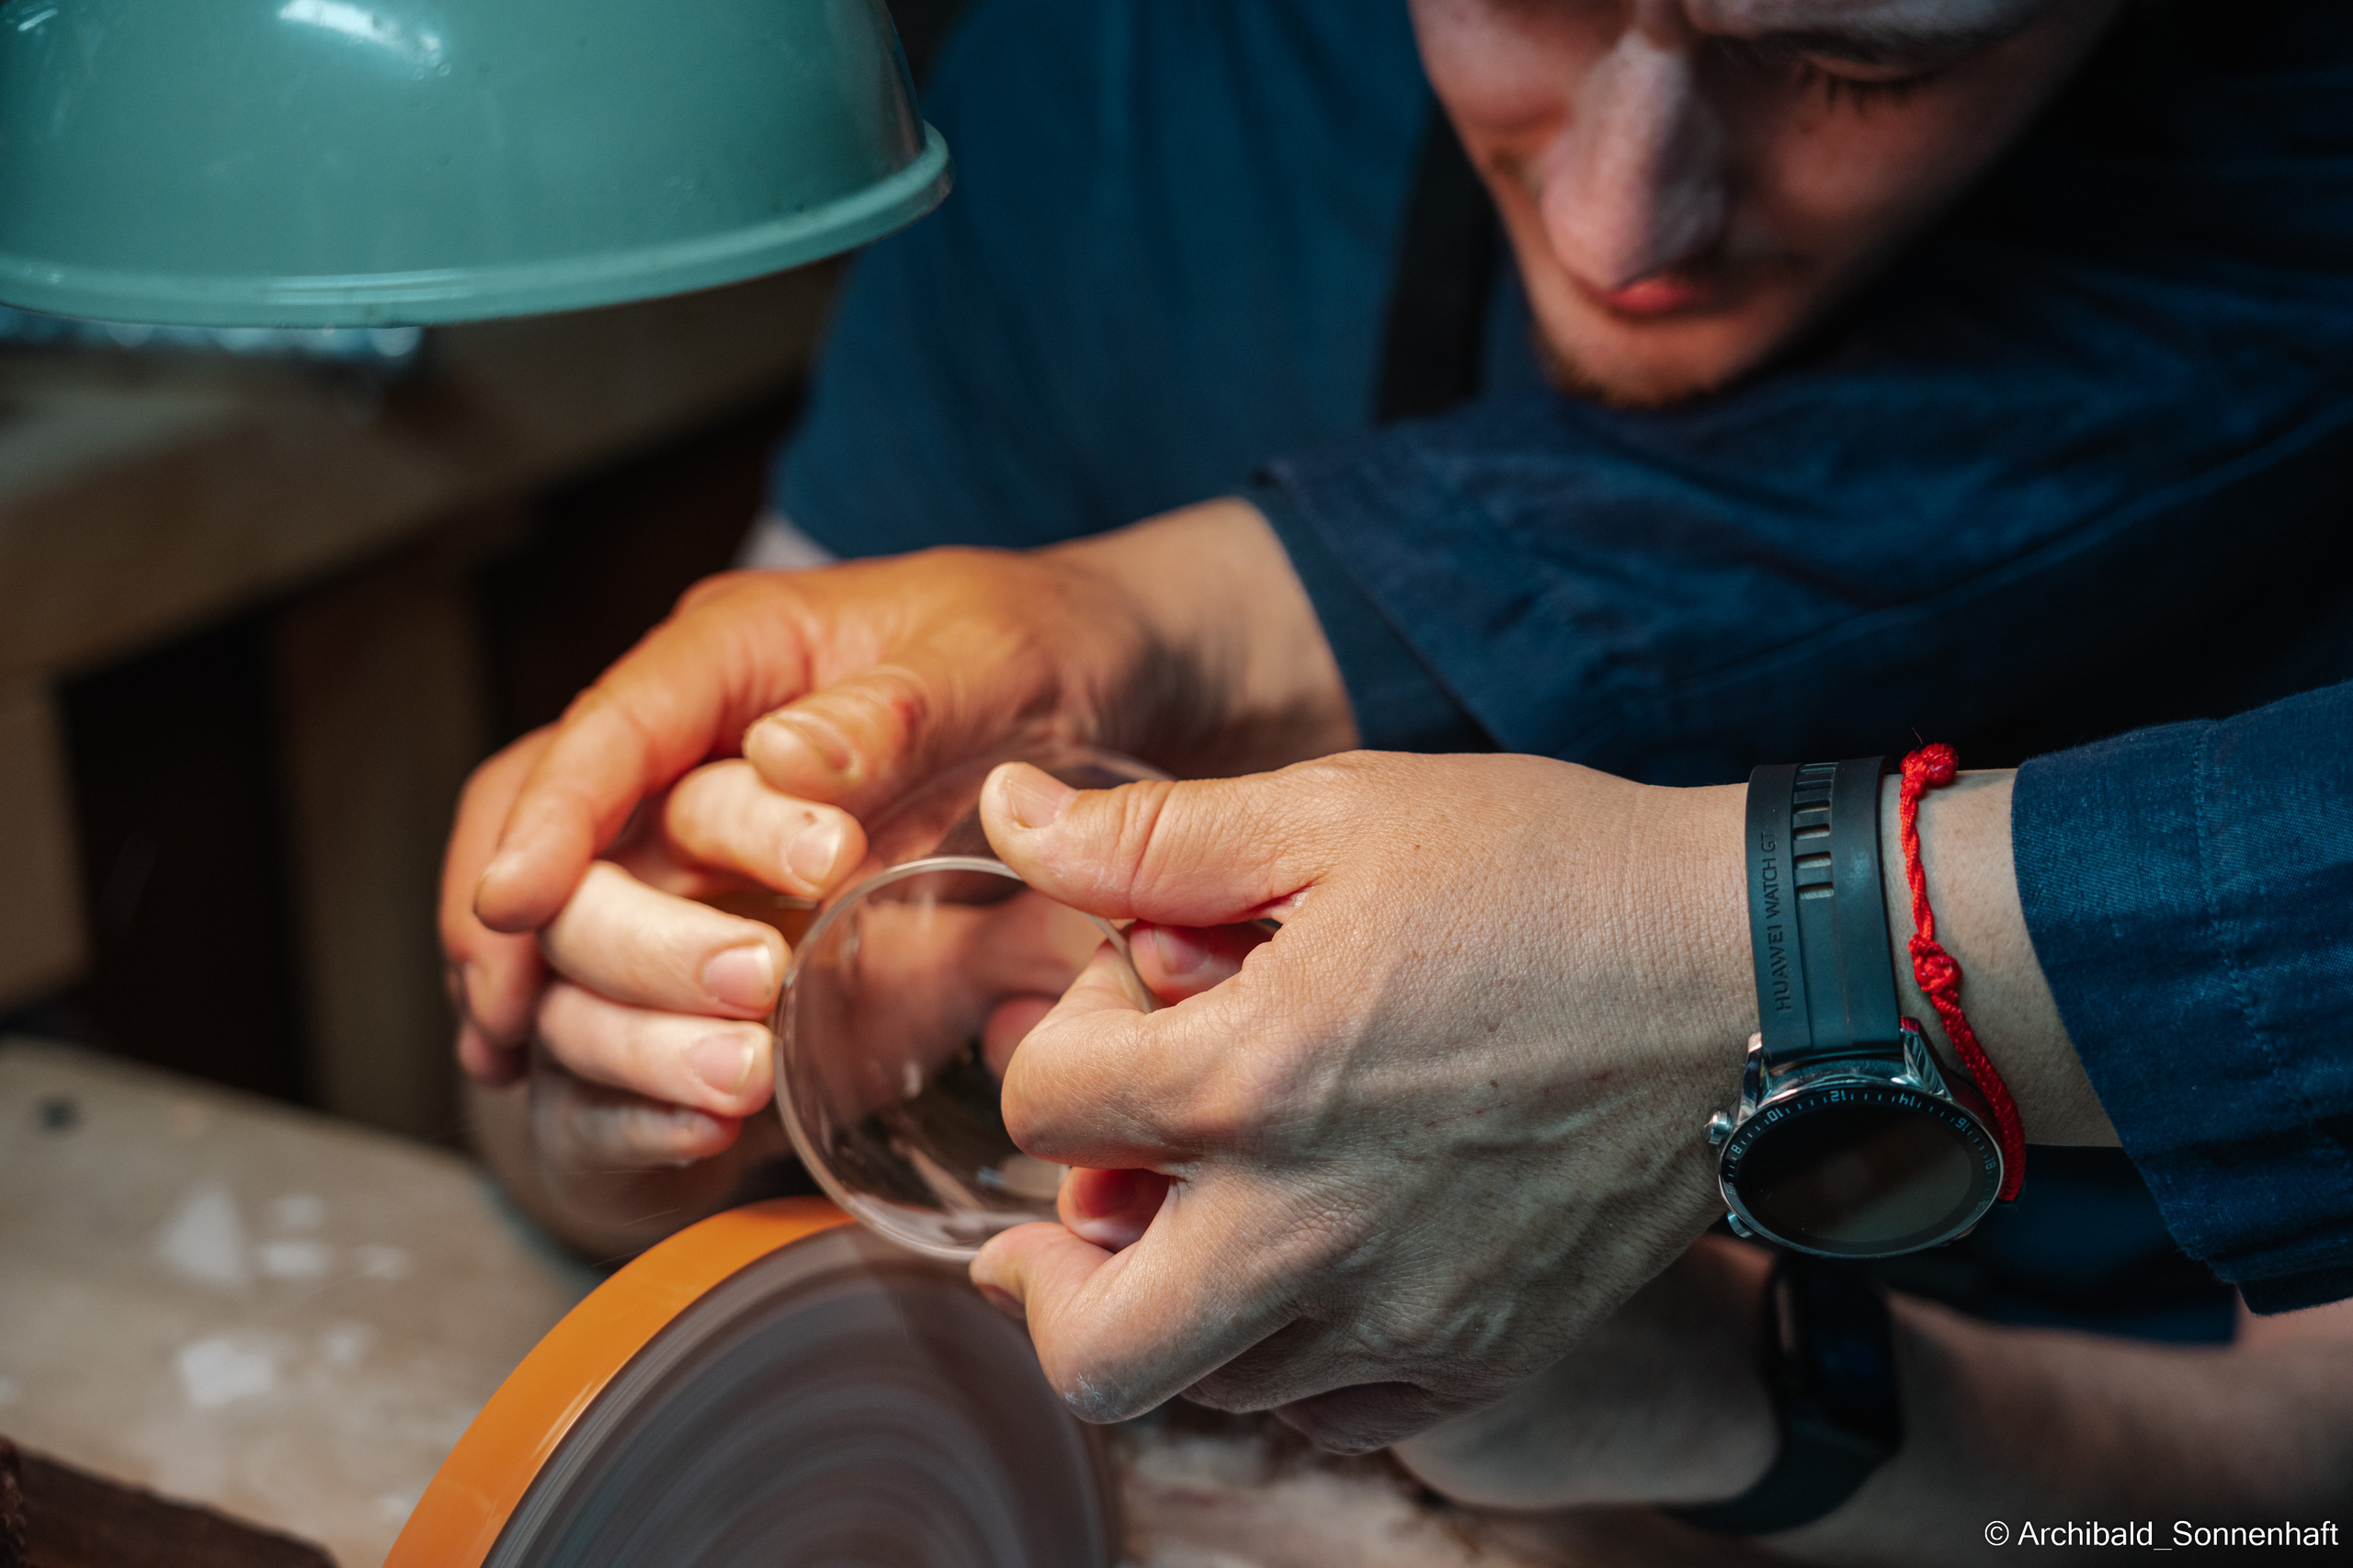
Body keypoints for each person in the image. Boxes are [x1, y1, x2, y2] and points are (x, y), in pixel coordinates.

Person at [440, 0, 2353, 1453]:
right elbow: (652, 1010)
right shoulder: (1146, 72)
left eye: (1854, 64)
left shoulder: (2273, 174)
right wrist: (633, 1055)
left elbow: (2283, 1485)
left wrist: (1739, 1406)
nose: (1623, 218)